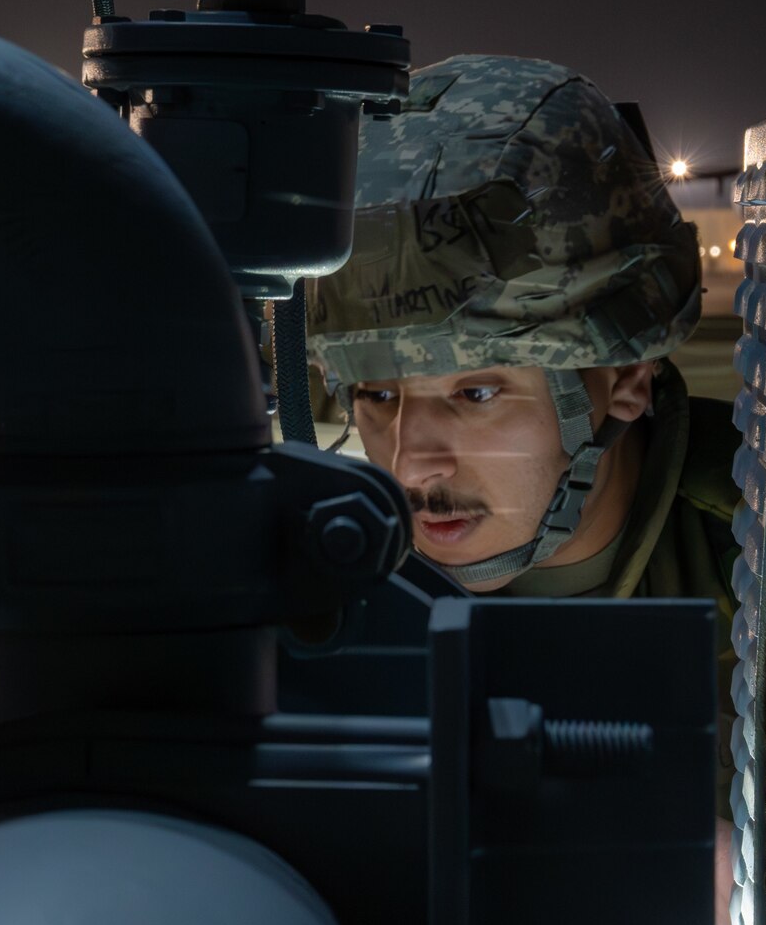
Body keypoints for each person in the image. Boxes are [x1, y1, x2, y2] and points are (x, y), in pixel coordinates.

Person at [307, 52, 740, 813]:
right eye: (375, 393)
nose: (409, 461)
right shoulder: (318, 587)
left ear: (627, 376)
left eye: (475, 392)